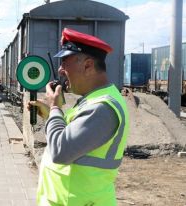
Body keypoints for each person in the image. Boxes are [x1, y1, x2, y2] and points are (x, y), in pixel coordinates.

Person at [29, 28, 129, 205]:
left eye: (65, 62)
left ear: (88, 65)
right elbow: (72, 136)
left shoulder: (102, 107)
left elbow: (61, 151)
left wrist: (54, 109)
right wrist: (51, 115)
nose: (60, 70)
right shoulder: (92, 100)